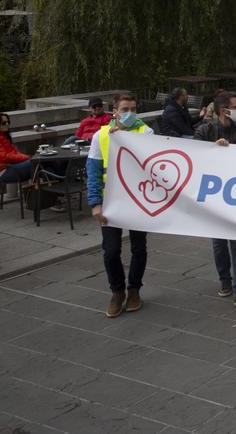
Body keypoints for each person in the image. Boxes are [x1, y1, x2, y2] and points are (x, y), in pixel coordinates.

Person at [87, 93, 155, 318]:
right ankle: (117, 291)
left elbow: (153, 163)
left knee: (138, 248)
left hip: (137, 202)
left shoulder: (145, 132)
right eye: (125, 109)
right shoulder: (102, 135)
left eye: (134, 109)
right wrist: (95, 203)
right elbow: (93, 171)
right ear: (114, 111)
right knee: (111, 251)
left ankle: (134, 289)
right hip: (111, 202)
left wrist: (127, 141)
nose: (130, 114)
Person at [193, 91, 236, 307]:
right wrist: (212, 149)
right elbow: (193, 155)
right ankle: (225, 280)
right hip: (213, 196)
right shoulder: (205, 130)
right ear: (224, 111)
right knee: (219, 242)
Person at [0, 113, 31, 185]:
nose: (7, 124)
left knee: (42, 165)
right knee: (37, 163)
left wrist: (25, 157)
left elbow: (15, 154)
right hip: (4, 171)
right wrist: (26, 157)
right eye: (4, 123)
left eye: (8, 122)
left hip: (11, 167)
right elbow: (4, 157)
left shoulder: (5, 137)